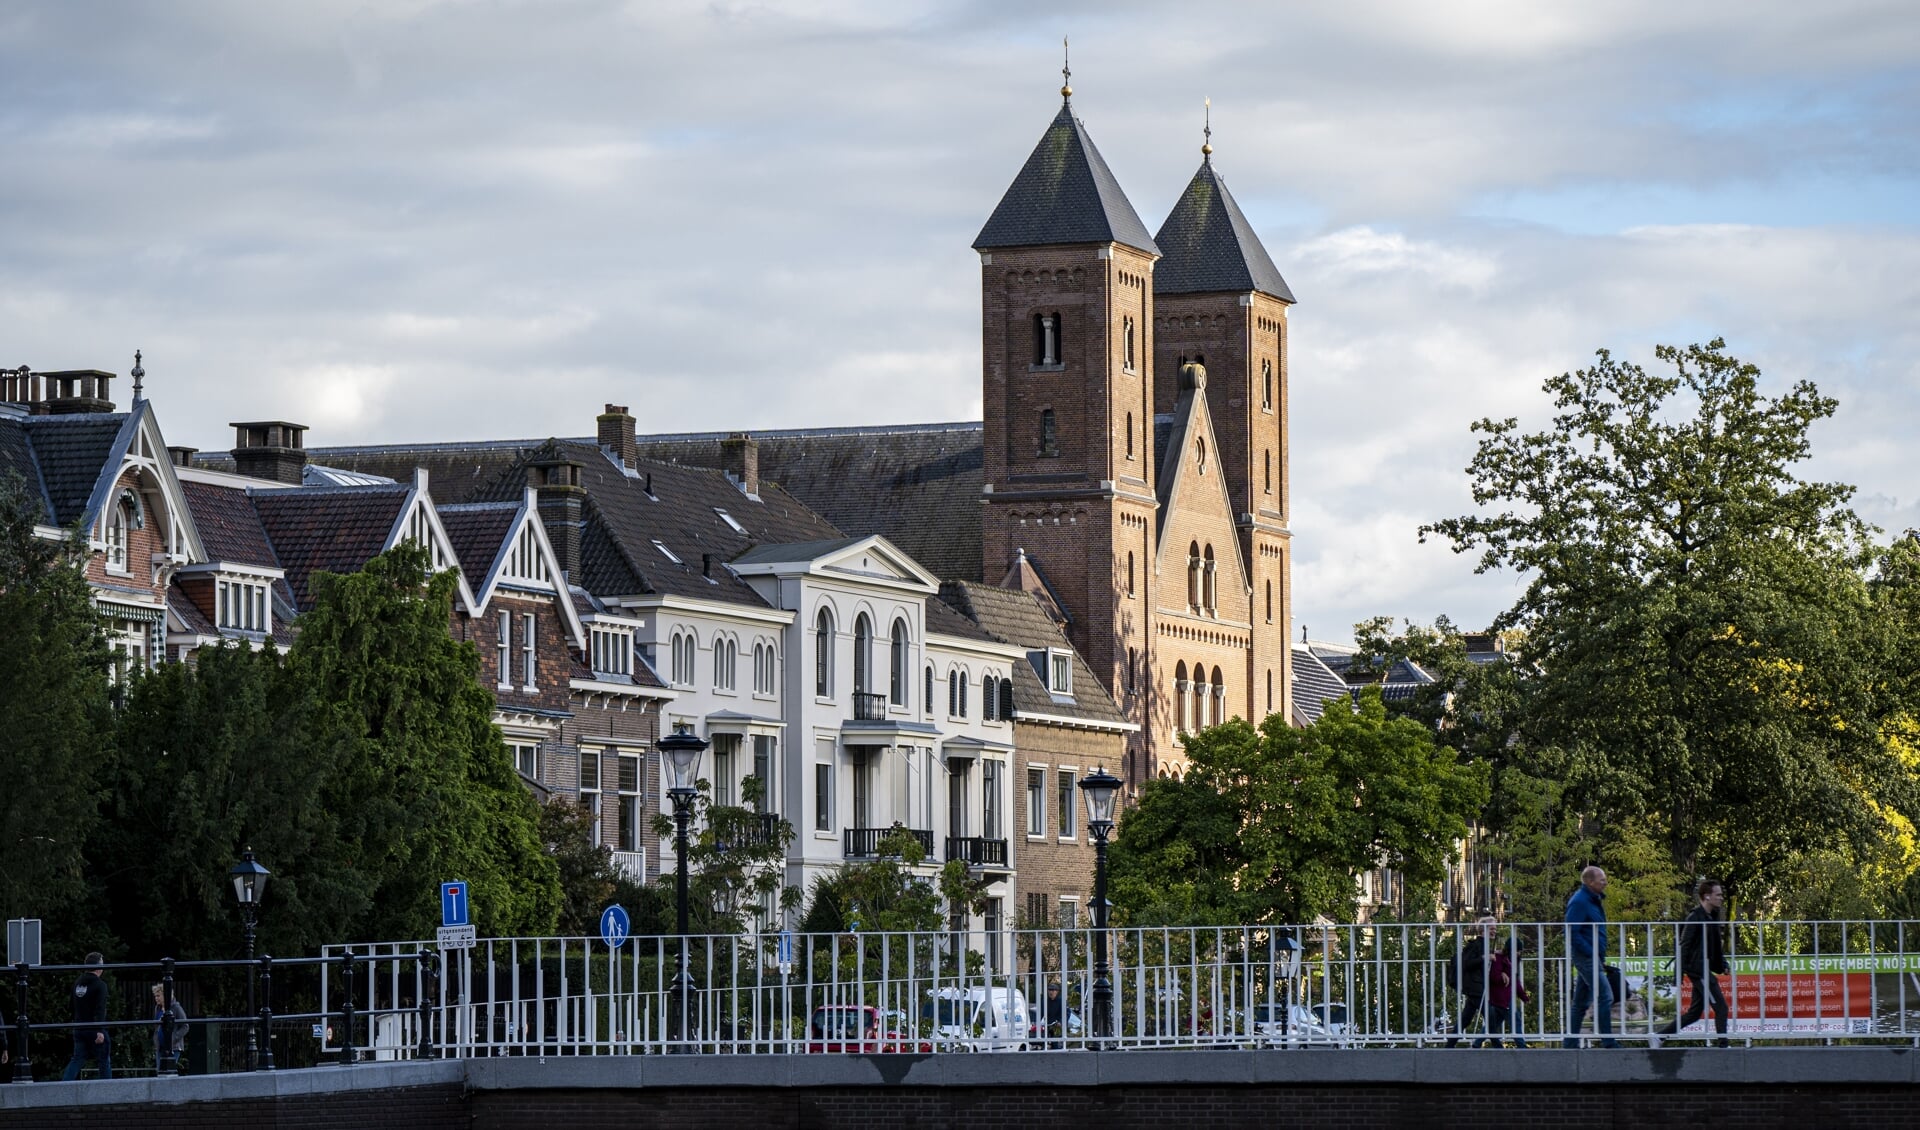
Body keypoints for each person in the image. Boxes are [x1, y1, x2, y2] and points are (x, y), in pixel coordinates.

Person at [1656, 878, 1731, 1047]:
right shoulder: (1694, 917)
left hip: (1702, 969)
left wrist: (1723, 964)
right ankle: (1724, 1044)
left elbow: (1714, 947)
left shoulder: (1711, 917)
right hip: (1699, 971)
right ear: (1706, 896)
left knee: (1695, 1013)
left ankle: (1659, 1037)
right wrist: (1678, 973)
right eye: (1718, 895)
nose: (1721, 898)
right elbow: (1684, 946)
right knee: (1721, 1007)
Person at [1563, 866, 1619, 1049]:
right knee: (1606, 995)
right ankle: (1608, 1040)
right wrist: (1590, 952)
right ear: (1590, 882)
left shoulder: (1592, 900)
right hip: (1586, 956)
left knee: (1580, 1003)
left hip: (1591, 956)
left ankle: (1570, 1042)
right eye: (1602, 879)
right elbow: (1572, 931)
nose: (1605, 882)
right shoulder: (1580, 902)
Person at [1446, 915, 1496, 1047]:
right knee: (1490, 1017)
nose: (1494, 931)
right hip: (1475, 987)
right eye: (1492, 928)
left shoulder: (1484, 945)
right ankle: (1498, 1047)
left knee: (1465, 1019)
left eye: (1495, 929)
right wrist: (1485, 957)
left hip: (1477, 987)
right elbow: (1466, 963)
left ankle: (1449, 1046)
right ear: (1483, 929)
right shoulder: (1476, 945)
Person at [61, 953, 112, 1081]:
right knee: (104, 1060)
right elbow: (100, 1009)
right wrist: (100, 1030)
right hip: (94, 1028)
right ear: (99, 967)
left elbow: (71, 1006)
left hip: (79, 1027)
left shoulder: (77, 982)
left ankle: (63, 1087)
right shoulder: (100, 985)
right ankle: (108, 1091)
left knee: (77, 1059)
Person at [1479, 934, 1531, 1048]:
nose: (1519, 953)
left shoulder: (1510, 961)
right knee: (1515, 1020)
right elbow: (1493, 976)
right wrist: (1504, 976)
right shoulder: (1500, 959)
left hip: (1502, 997)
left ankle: (1476, 1043)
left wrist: (1524, 997)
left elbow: (1515, 981)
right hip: (1502, 997)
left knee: (1493, 1023)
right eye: (1518, 951)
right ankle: (1521, 1045)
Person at [151, 984, 188, 1073]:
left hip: (173, 1047)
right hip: (160, 1047)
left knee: (168, 1071)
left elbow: (185, 1026)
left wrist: (173, 1038)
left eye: (158, 996)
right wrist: (156, 1040)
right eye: (155, 996)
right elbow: (156, 1026)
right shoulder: (158, 1008)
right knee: (159, 1071)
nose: (156, 998)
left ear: (166, 995)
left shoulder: (176, 1008)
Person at [1042, 981, 1065, 1049]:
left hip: (1056, 1025)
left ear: (1057, 992)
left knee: (1055, 1044)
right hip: (1046, 1025)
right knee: (1043, 1043)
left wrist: (1060, 1022)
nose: (1051, 992)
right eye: (1049, 990)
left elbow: (1066, 1013)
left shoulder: (1061, 1001)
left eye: (1053, 990)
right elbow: (1040, 1013)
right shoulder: (1044, 1001)